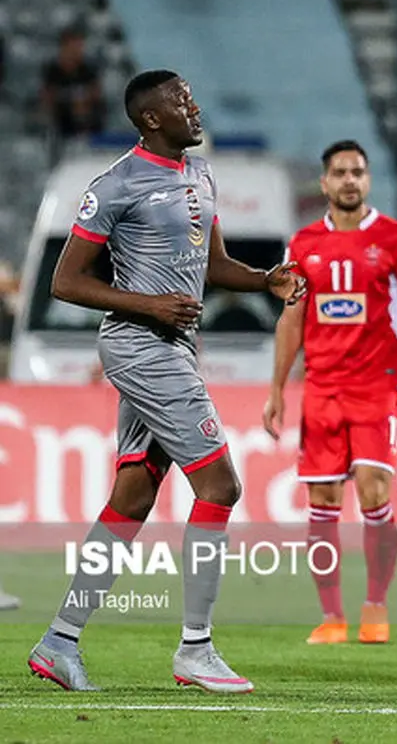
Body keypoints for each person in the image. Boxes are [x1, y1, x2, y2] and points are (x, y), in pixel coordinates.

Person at [27, 70, 305, 692]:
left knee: (132, 496)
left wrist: (265, 280)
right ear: (151, 118)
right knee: (221, 484)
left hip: (176, 345)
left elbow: (214, 268)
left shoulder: (200, 175)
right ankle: (196, 649)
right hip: (139, 345)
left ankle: (58, 642)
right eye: (181, 101)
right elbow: (65, 282)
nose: (194, 106)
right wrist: (150, 305)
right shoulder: (117, 185)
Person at [262, 140, 397, 646]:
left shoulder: (396, 238)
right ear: (324, 183)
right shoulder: (303, 244)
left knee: (374, 491)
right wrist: (277, 389)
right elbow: (291, 318)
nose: (348, 180)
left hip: (378, 388)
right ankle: (332, 616)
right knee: (321, 500)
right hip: (321, 390)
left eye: (357, 172)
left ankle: (377, 606)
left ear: (368, 179)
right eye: (339, 172)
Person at [40, 27, 104, 144]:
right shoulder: (52, 71)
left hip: (86, 120)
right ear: (64, 47)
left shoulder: (88, 70)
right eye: (74, 46)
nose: (78, 50)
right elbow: (47, 98)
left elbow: (96, 95)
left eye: (80, 46)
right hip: (60, 120)